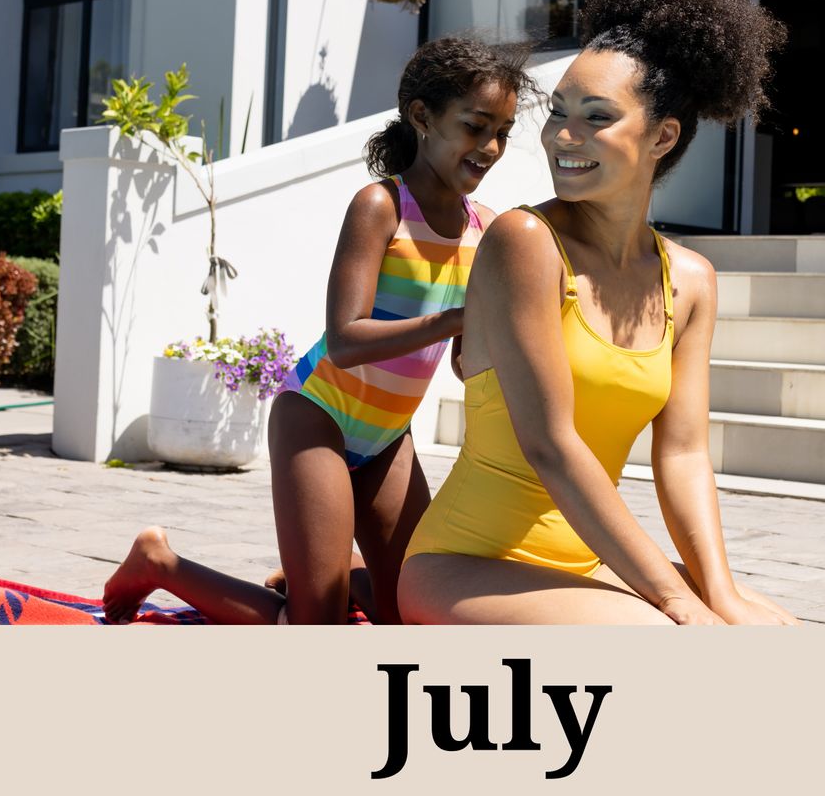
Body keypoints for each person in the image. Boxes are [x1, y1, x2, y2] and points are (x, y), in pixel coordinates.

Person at [399, 0, 800, 625]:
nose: (563, 136)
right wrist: (675, 598)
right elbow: (550, 445)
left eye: (597, 116)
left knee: (781, 637)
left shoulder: (693, 281)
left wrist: (720, 593)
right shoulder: (526, 243)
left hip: (590, 566)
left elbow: (683, 454)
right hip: (472, 567)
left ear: (663, 136)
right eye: (559, 111)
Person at [103, 36, 534, 624]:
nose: (490, 146)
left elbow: (462, 359)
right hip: (319, 416)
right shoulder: (381, 205)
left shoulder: (483, 230)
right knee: (316, 630)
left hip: (387, 437)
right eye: (476, 125)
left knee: (419, 614)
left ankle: (336, 579)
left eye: (504, 132)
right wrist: (459, 317)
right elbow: (346, 339)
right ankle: (160, 562)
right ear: (422, 117)